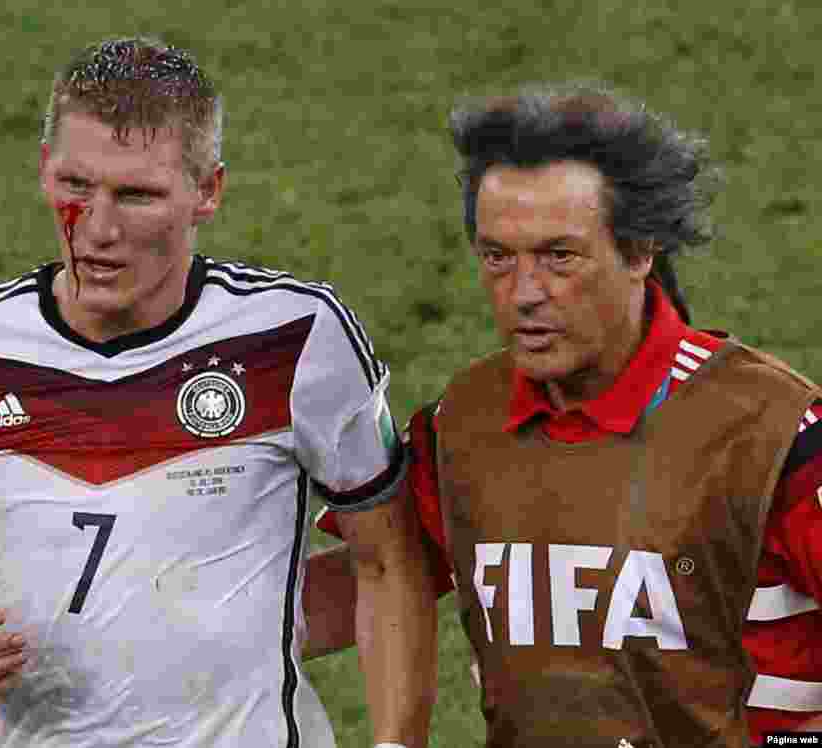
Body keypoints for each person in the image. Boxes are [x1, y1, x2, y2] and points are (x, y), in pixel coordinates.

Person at [0, 35, 436, 748]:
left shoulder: (297, 337)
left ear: (208, 191)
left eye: (136, 195)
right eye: (75, 187)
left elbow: (388, 558)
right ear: (43, 172)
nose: (97, 230)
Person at [316, 86, 822, 747]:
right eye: (498, 256)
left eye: (559, 256)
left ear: (640, 252)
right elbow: (379, 570)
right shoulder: (463, 425)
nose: (524, 294)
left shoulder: (774, 433)